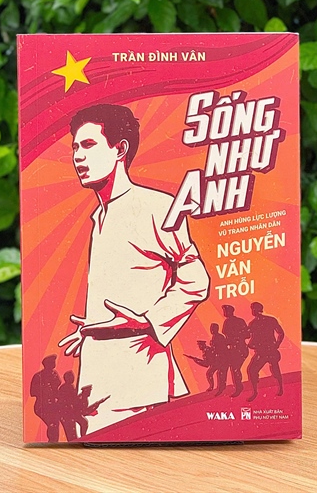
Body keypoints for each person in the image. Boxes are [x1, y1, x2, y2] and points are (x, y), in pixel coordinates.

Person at [58, 104, 210, 433]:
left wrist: (147, 322)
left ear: (120, 149)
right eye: (75, 147)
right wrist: (93, 329)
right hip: (98, 379)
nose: (78, 157)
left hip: (139, 382)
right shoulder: (99, 216)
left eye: (89, 145)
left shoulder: (156, 208)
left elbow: (195, 279)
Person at [246, 302, 285, 401]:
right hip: (262, 351)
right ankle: (255, 392)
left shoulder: (266, 321)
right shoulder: (253, 323)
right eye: (252, 308)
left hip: (269, 350)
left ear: (257, 309)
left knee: (275, 370)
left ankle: (280, 388)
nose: (252, 310)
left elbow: (281, 333)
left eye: (253, 308)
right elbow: (249, 336)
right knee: (252, 370)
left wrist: (277, 344)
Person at [30, 355, 61, 442]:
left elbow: (57, 387)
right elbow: (32, 392)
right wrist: (44, 389)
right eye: (52, 362)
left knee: (55, 424)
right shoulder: (38, 376)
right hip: (42, 406)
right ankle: (52, 442)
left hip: (53, 405)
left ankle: (54, 442)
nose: (54, 364)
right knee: (52, 424)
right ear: (47, 364)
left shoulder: (54, 374)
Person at [221, 304, 249, 397]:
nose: (224, 312)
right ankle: (231, 387)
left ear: (231, 311)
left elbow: (247, 335)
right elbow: (226, 337)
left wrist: (236, 338)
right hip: (232, 350)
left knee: (235, 368)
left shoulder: (240, 321)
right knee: (231, 368)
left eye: (226, 311)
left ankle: (239, 387)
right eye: (224, 311)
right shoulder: (226, 322)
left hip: (241, 348)